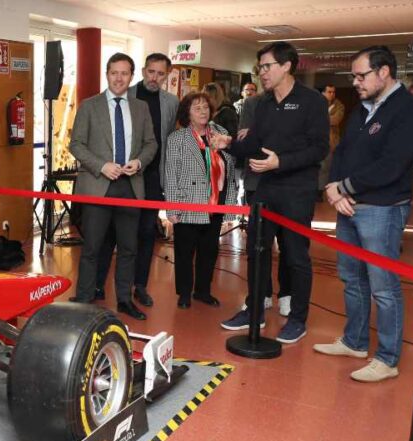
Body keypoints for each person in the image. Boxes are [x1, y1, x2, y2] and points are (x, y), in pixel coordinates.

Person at [314, 46, 413, 382]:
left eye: (361, 75)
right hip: (349, 205)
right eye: (355, 76)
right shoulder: (363, 109)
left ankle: (388, 358)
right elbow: (344, 151)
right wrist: (335, 188)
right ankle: (354, 341)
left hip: (382, 210)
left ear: (384, 72)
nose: (356, 81)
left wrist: (344, 187)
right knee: (352, 279)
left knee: (383, 285)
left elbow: (392, 166)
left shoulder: (408, 109)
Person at [214, 41, 329, 343]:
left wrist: (282, 162)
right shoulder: (263, 104)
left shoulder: (312, 101)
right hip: (265, 188)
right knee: (256, 250)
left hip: (297, 190)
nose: (261, 73)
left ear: (287, 66)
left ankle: (297, 319)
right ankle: (255, 310)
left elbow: (319, 149)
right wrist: (229, 145)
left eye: (267, 67)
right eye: (260, 67)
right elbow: (252, 145)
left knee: (295, 255)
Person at [69, 53, 158, 320]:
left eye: (125, 73)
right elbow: (76, 144)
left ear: (132, 76)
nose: (119, 78)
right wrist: (101, 165)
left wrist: (139, 163)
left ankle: (124, 300)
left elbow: (151, 144)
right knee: (92, 248)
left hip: (130, 186)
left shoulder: (141, 107)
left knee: (129, 248)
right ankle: (84, 299)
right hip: (99, 185)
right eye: (114, 73)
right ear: (106, 74)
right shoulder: (89, 106)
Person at [94, 53, 179, 307]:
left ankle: (139, 285)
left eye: (160, 73)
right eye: (150, 72)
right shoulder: (124, 93)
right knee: (110, 232)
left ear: (167, 75)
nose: (154, 78)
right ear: (142, 71)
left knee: (144, 233)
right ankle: (99, 283)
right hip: (118, 175)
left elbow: (169, 138)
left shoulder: (171, 102)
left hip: (151, 176)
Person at [164, 92, 238, 308]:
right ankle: (185, 293)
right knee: (185, 251)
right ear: (187, 113)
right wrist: (172, 208)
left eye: (206, 107)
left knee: (209, 250)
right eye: (197, 108)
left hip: (216, 200)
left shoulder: (220, 132)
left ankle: (203, 291)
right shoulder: (177, 138)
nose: (203, 111)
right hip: (188, 201)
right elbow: (171, 174)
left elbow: (231, 164)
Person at [237, 90, 292, 317]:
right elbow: (246, 140)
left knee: (289, 243)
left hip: (289, 182)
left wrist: (260, 135)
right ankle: (262, 293)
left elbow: (299, 142)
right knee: (259, 244)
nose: (266, 73)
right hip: (256, 182)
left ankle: (287, 294)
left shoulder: (300, 101)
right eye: (263, 68)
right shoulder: (252, 103)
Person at [317, 84, 345, 191]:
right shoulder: (316, 103)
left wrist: (322, 117)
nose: (332, 94)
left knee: (326, 168)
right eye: (329, 92)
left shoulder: (339, 105)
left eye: (333, 92)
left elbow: (335, 120)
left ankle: (321, 191)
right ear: (323, 93)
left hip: (331, 142)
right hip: (315, 140)